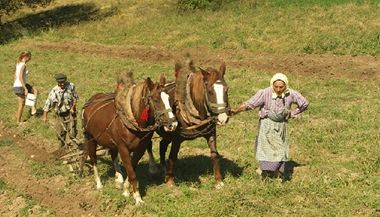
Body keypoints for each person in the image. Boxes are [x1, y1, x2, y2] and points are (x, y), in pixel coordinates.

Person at [231, 72, 309, 180]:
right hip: (267, 125)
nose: (278, 89)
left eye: (281, 87)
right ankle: (266, 171)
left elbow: (304, 103)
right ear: (272, 84)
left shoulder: (290, 94)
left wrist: (293, 113)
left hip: (281, 125)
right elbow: (250, 104)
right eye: (275, 86)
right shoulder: (264, 93)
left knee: (281, 150)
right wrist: (236, 110)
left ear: (285, 86)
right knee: (266, 149)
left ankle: (278, 174)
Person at [42, 73, 79, 149]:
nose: (62, 84)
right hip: (59, 114)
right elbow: (48, 104)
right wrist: (45, 116)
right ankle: (61, 146)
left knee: (72, 130)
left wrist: (73, 108)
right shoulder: (54, 91)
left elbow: (75, 98)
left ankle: (74, 145)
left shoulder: (71, 86)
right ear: (57, 82)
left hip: (70, 113)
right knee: (60, 132)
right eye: (60, 83)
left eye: (63, 82)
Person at [13, 51, 38, 124]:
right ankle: (18, 121)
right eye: (29, 58)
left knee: (35, 90)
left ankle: (33, 107)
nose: (30, 59)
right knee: (21, 104)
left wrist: (15, 84)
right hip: (20, 86)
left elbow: (15, 76)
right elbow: (20, 77)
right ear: (26, 57)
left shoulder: (18, 64)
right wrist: (25, 88)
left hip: (18, 85)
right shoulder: (23, 65)